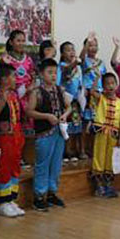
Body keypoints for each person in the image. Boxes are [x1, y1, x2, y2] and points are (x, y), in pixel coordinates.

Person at [27, 58, 71, 211]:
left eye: (55, 72)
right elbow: (29, 111)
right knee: (43, 164)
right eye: (49, 72)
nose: (53, 75)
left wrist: (65, 115)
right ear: (41, 74)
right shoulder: (36, 92)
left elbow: (69, 106)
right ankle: (39, 196)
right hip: (44, 133)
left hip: (59, 132)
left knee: (56, 164)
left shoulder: (60, 90)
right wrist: (46, 116)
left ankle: (52, 193)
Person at [0, 63, 26, 218]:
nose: (15, 79)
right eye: (13, 76)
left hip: (16, 135)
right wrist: (2, 102)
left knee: (15, 166)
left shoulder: (14, 95)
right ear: (4, 79)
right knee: (4, 167)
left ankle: (11, 199)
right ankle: (3, 202)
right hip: (4, 137)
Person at [89, 73, 120, 198]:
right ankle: (98, 185)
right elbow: (92, 91)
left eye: (112, 83)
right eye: (107, 84)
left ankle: (108, 184)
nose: (110, 86)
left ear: (116, 85)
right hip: (102, 132)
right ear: (103, 87)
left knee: (110, 158)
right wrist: (97, 78)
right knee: (99, 156)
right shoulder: (101, 98)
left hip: (113, 134)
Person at [80, 32, 106, 159]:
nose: (93, 48)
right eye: (90, 45)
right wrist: (86, 43)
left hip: (99, 94)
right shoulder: (84, 60)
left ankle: (94, 149)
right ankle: (82, 150)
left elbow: (105, 79)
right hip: (88, 94)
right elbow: (81, 57)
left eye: (95, 45)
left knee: (98, 122)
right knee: (85, 123)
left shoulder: (101, 62)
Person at [2, 29, 36, 123]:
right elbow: (3, 77)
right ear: (11, 42)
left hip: (28, 95)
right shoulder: (6, 58)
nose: (21, 43)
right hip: (13, 94)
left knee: (29, 120)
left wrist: (31, 86)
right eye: (18, 41)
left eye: (23, 41)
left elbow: (33, 75)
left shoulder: (28, 59)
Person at [58, 41, 83, 163]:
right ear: (62, 54)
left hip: (76, 101)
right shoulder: (61, 66)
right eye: (68, 50)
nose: (71, 52)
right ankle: (65, 151)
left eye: (73, 49)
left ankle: (73, 150)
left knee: (75, 126)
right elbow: (67, 71)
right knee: (65, 127)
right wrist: (74, 63)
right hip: (65, 101)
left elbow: (80, 83)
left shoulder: (78, 68)